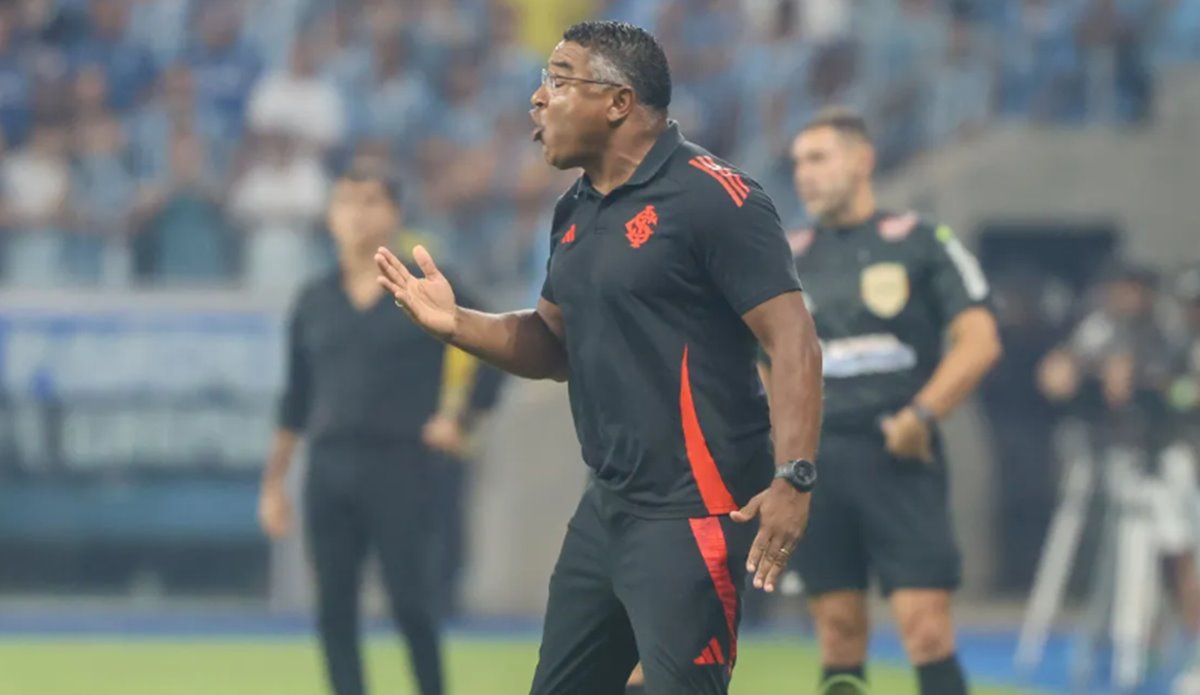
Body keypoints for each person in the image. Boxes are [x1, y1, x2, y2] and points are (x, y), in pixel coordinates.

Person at [375, 20, 823, 695]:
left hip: (695, 511)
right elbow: (551, 343)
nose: (537, 99)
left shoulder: (715, 197)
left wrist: (794, 476)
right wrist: (456, 323)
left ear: (618, 101)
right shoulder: (574, 211)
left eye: (558, 81)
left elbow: (793, 339)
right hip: (607, 509)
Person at [760, 108, 1002, 695]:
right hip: (818, 466)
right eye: (798, 164)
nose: (805, 174)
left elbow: (980, 340)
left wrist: (923, 414)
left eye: (819, 158)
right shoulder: (786, 257)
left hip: (900, 455)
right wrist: (784, 447)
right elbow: (767, 362)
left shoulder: (921, 241)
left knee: (925, 629)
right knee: (838, 633)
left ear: (863, 161)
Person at [257, 163, 494, 695]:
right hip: (329, 466)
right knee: (334, 609)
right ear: (329, 216)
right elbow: (294, 399)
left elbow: (494, 343)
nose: (356, 215)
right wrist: (274, 485)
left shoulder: (422, 288)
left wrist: (458, 418)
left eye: (370, 201)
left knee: (412, 603)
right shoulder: (314, 299)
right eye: (345, 202)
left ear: (394, 214)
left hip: (402, 464)